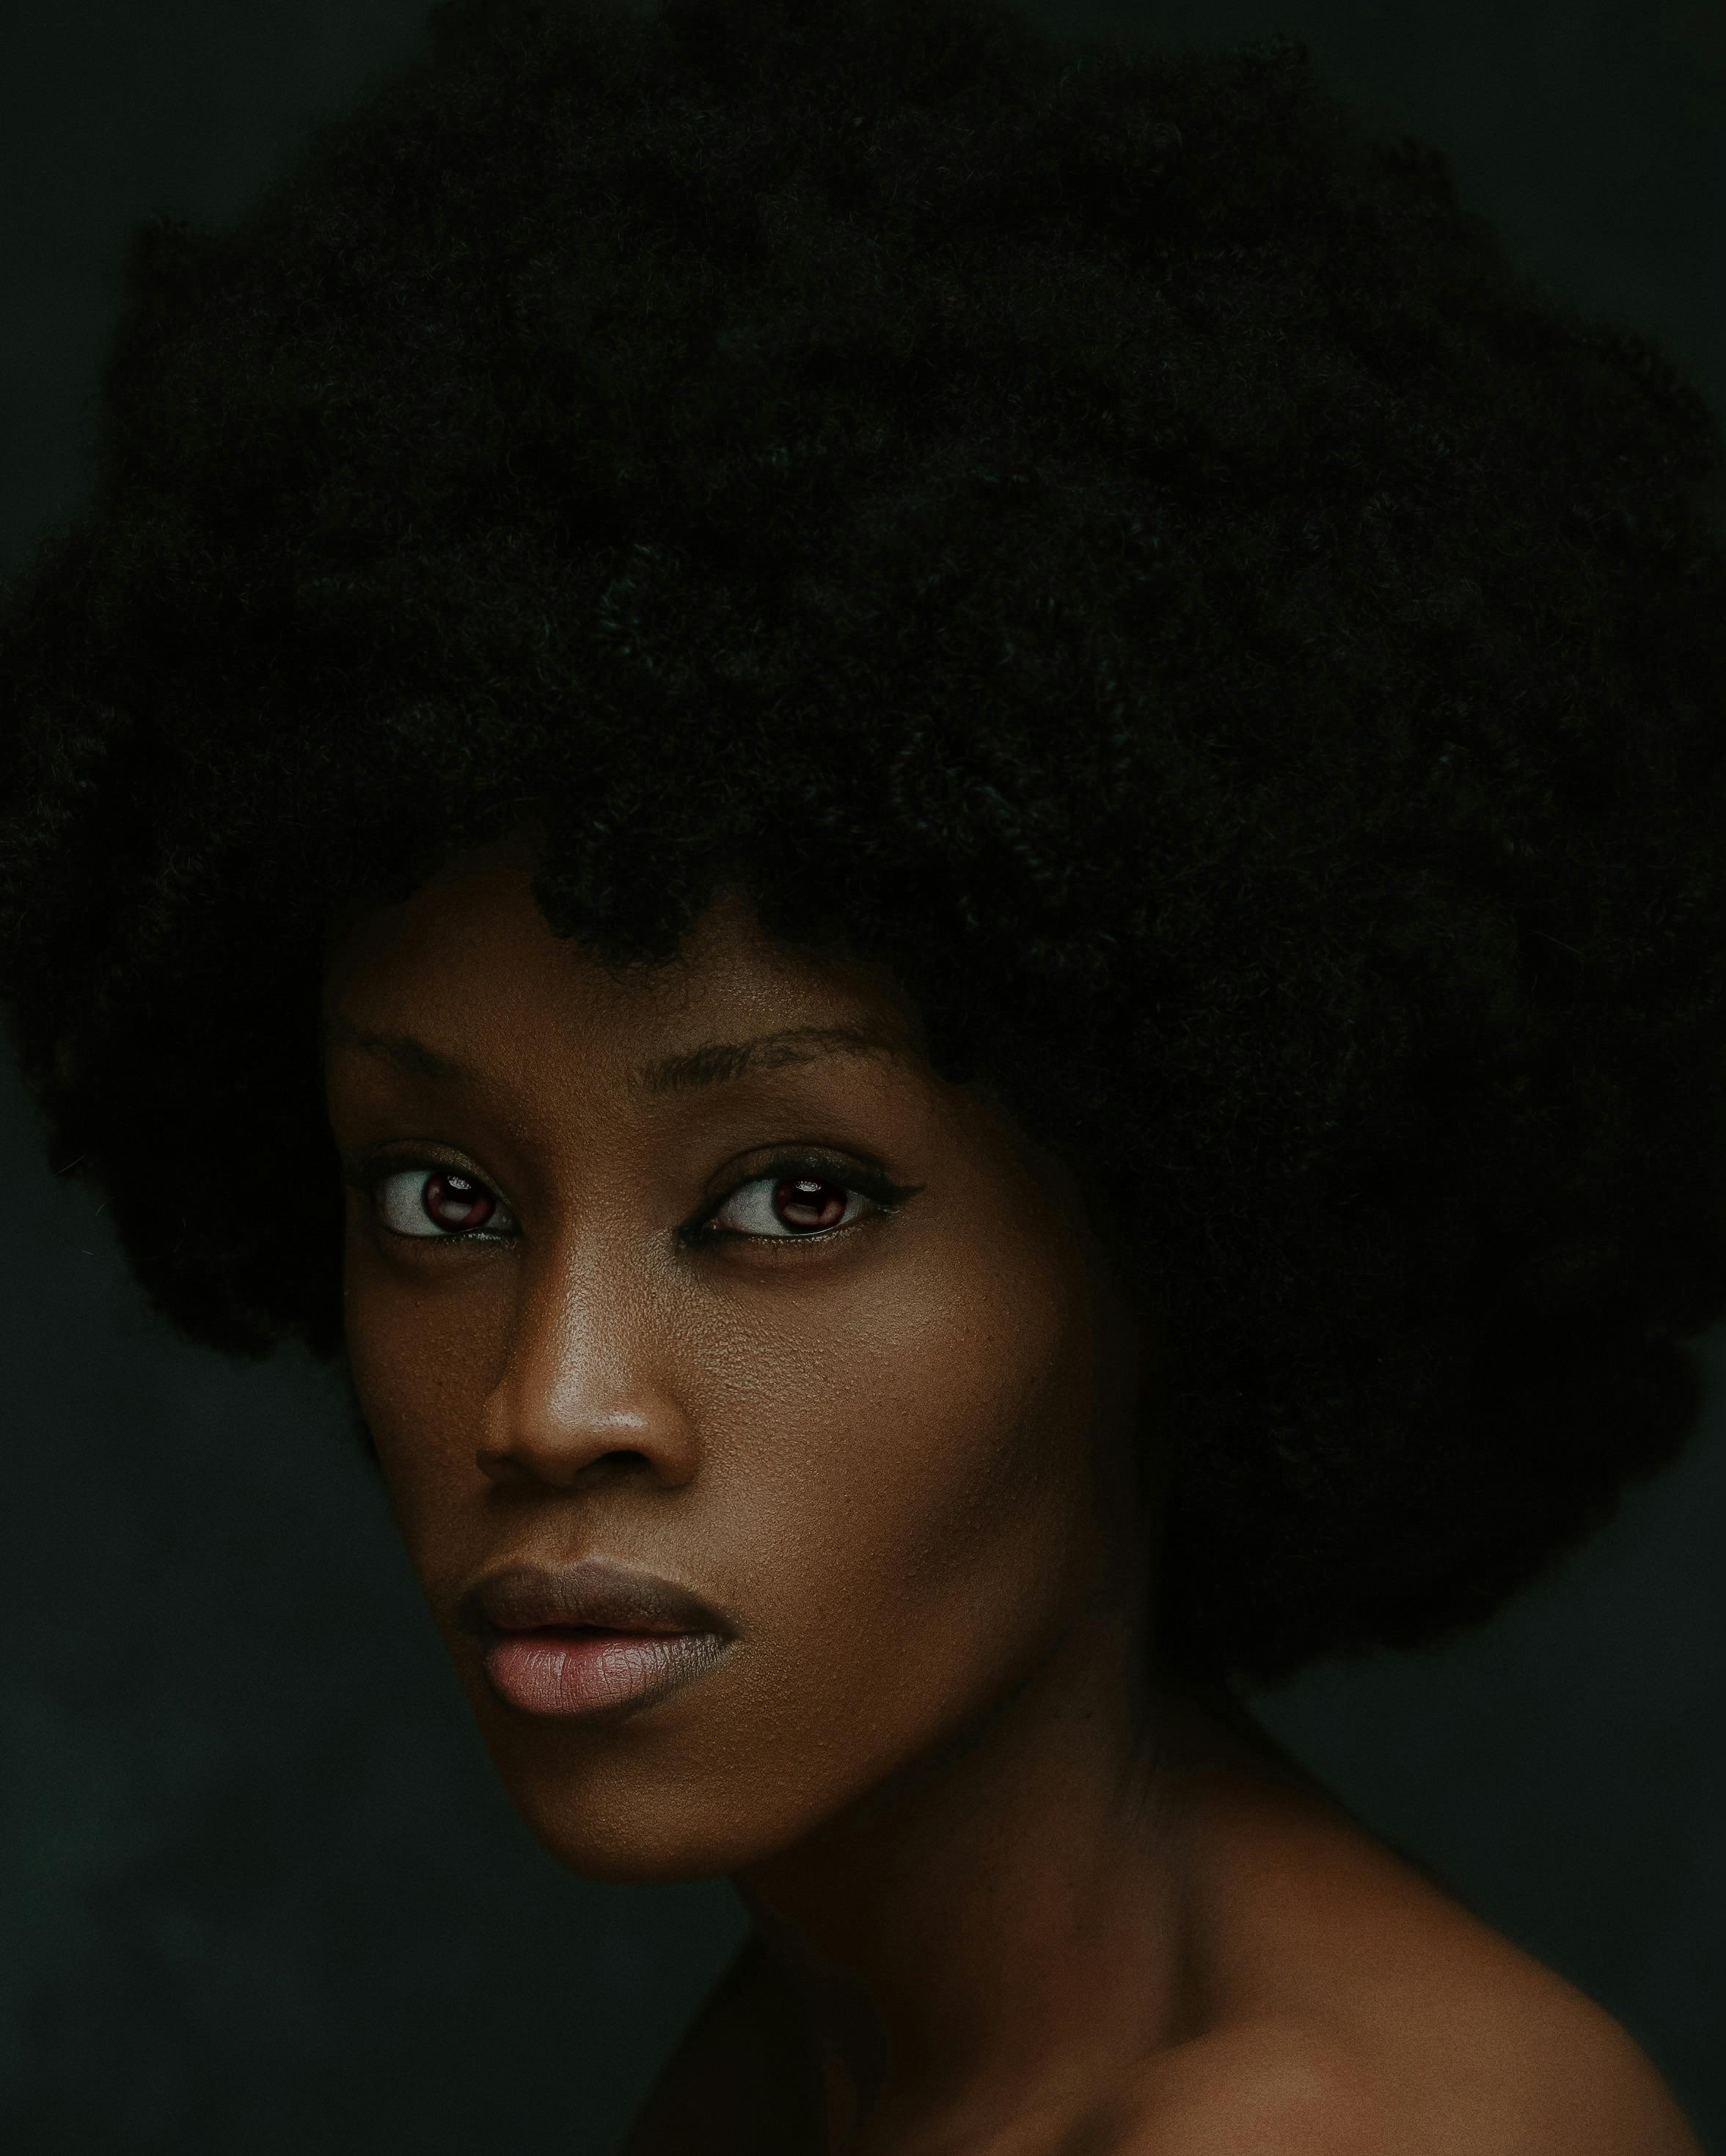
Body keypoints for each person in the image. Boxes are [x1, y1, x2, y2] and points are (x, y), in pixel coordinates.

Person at [1, 0, 1721, 2147]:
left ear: (1186, 1227)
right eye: (442, 1195)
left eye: (790, 1194)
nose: (550, 1403)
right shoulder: (790, 2080)